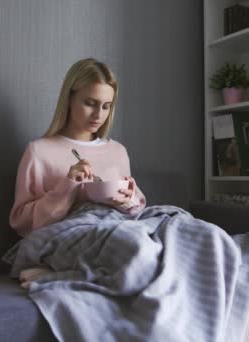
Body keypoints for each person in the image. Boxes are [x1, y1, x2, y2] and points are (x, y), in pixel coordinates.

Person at [9, 58, 147, 237]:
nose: (99, 115)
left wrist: (128, 201)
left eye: (106, 106)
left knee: (177, 223)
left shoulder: (118, 151)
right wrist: (67, 187)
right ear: (69, 99)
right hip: (72, 236)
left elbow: (135, 213)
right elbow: (21, 223)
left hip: (120, 229)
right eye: (90, 103)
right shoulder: (39, 152)